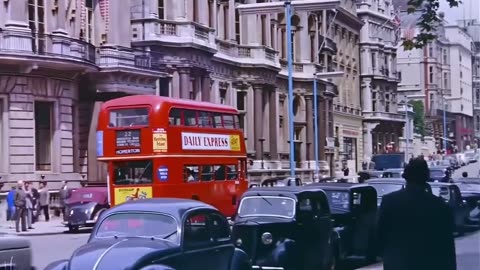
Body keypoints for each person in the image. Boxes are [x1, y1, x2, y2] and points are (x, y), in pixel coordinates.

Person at [377, 157, 456, 270]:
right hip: (429, 263)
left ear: (406, 177)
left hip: (398, 262)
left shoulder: (389, 201)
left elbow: (381, 234)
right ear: (426, 177)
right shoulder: (439, 205)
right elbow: (447, 244)